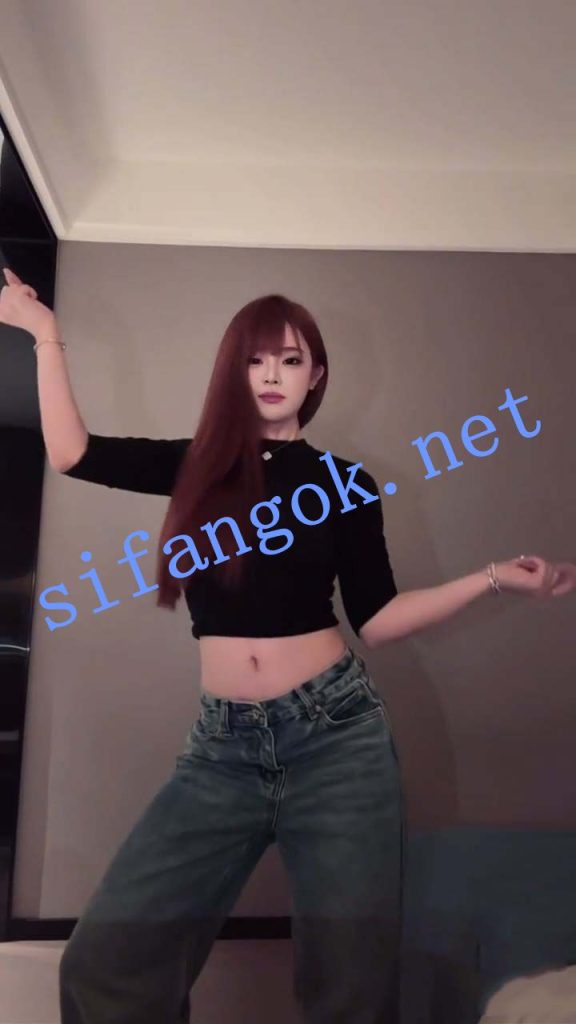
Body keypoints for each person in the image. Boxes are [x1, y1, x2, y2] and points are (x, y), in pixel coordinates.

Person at [1, 266, 575, 1024]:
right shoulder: (195, 466)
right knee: (107, 963)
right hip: (221, 750)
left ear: (316, 376)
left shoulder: (345, 483)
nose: (272, 374)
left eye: (291, 358)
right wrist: (44, 334)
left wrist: (494, 578)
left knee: (350, 988)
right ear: (234, 373)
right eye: (255, 359)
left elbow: (377, 618)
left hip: (338, 744)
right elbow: (73, 453)